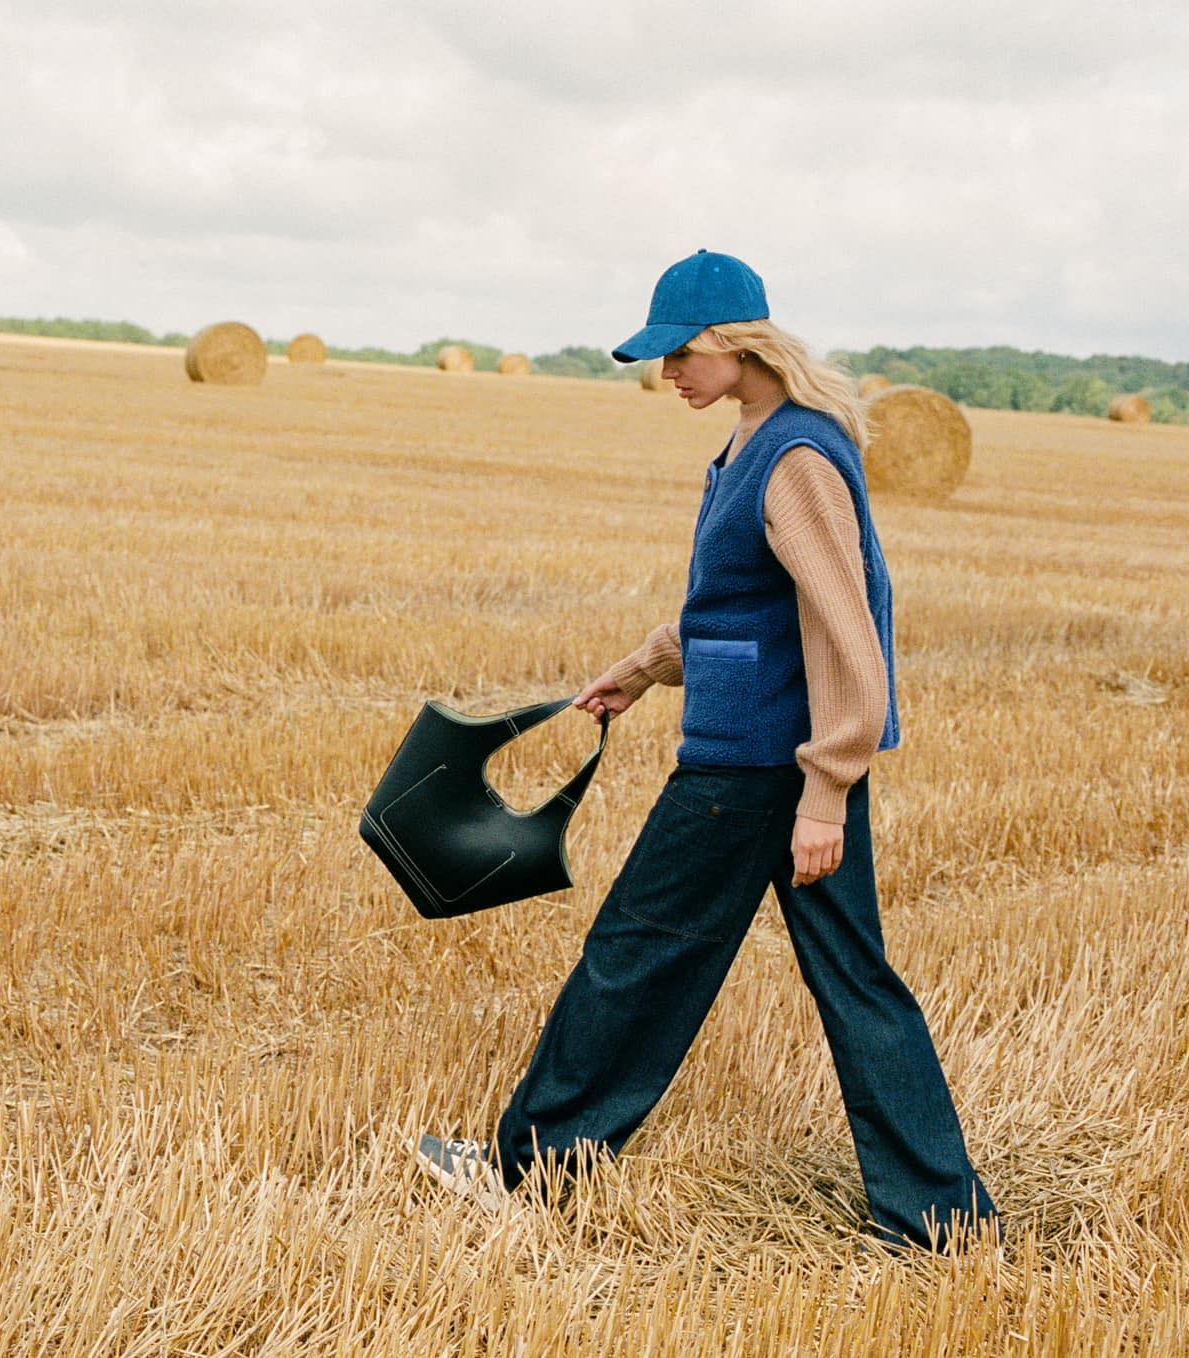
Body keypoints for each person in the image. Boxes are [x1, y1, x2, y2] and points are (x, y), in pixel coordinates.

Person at [414, 250, 1002, 1256]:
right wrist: (642, 668)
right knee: (853, 978)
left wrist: (824, 786)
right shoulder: (749, 447)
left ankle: (528, 1168)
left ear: (734, 342)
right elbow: (741, 612)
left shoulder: (795, 460)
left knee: (635, 955)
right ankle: (941, 1221)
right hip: (770, 758)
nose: (665, 373)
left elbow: (842, 632)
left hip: (756, 771)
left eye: (677, 352)